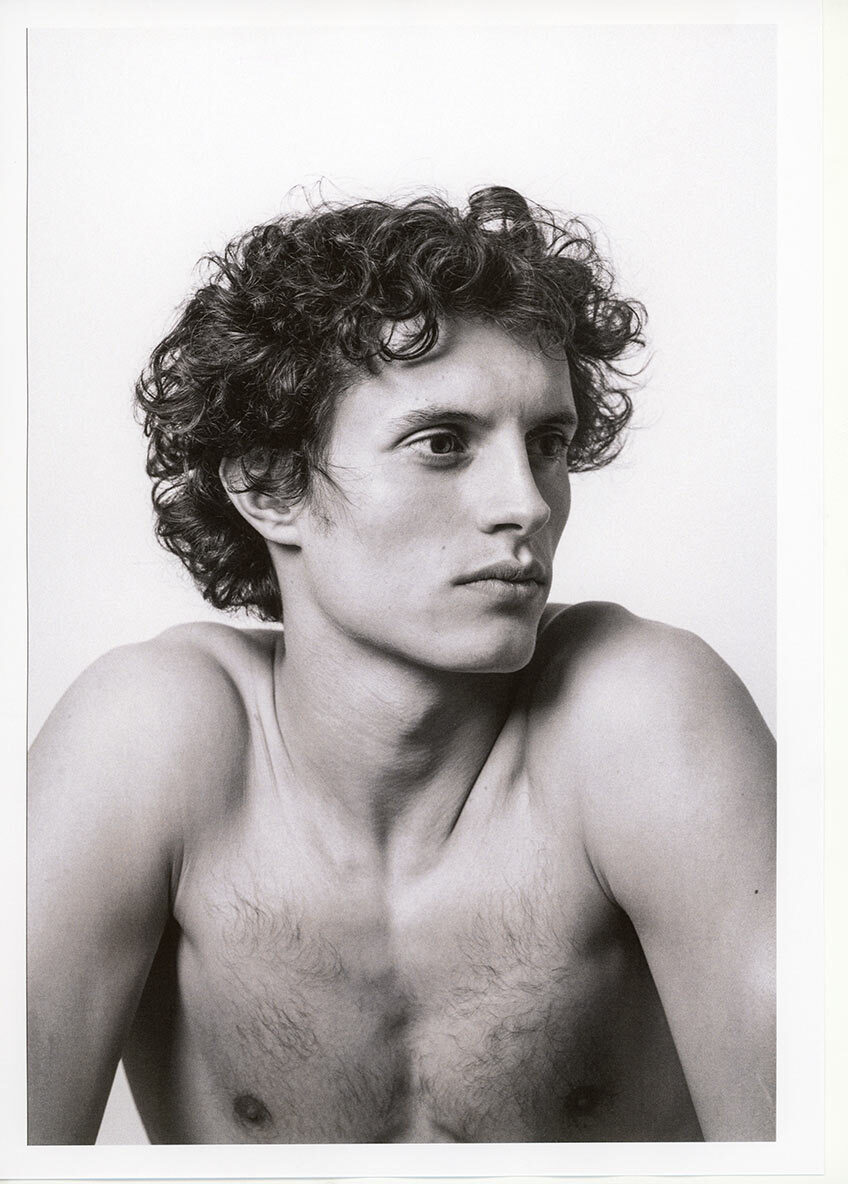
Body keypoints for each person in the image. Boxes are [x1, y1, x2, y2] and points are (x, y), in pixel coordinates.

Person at [27, 186, 775, 1145]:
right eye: (443, 444)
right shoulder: (150, 737)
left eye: (547, 444)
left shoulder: (638, 712)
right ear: (270, 484)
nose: (527, 505)